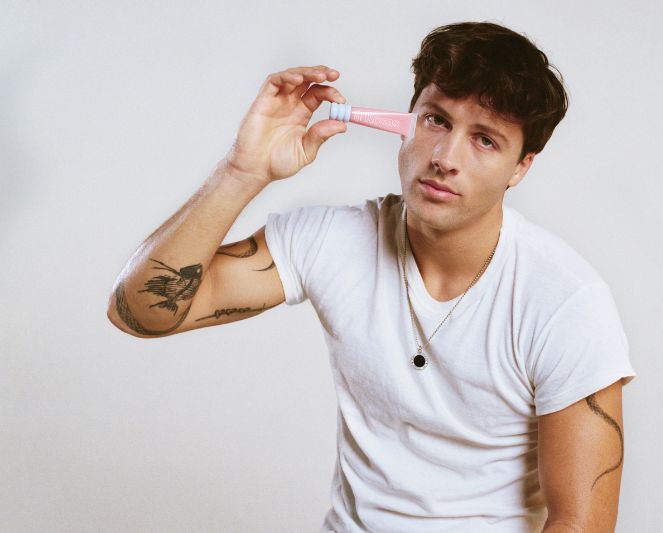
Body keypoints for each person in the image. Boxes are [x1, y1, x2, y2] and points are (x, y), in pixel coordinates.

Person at [107, 21, 636, 533]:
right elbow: (139, 313)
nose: (445, 158)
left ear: (521, 166)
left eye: (485, 140)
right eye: (436, 121)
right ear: (406, 120)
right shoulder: (331, 240)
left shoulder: (564, 301)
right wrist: (241, 172)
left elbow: (581, 523)